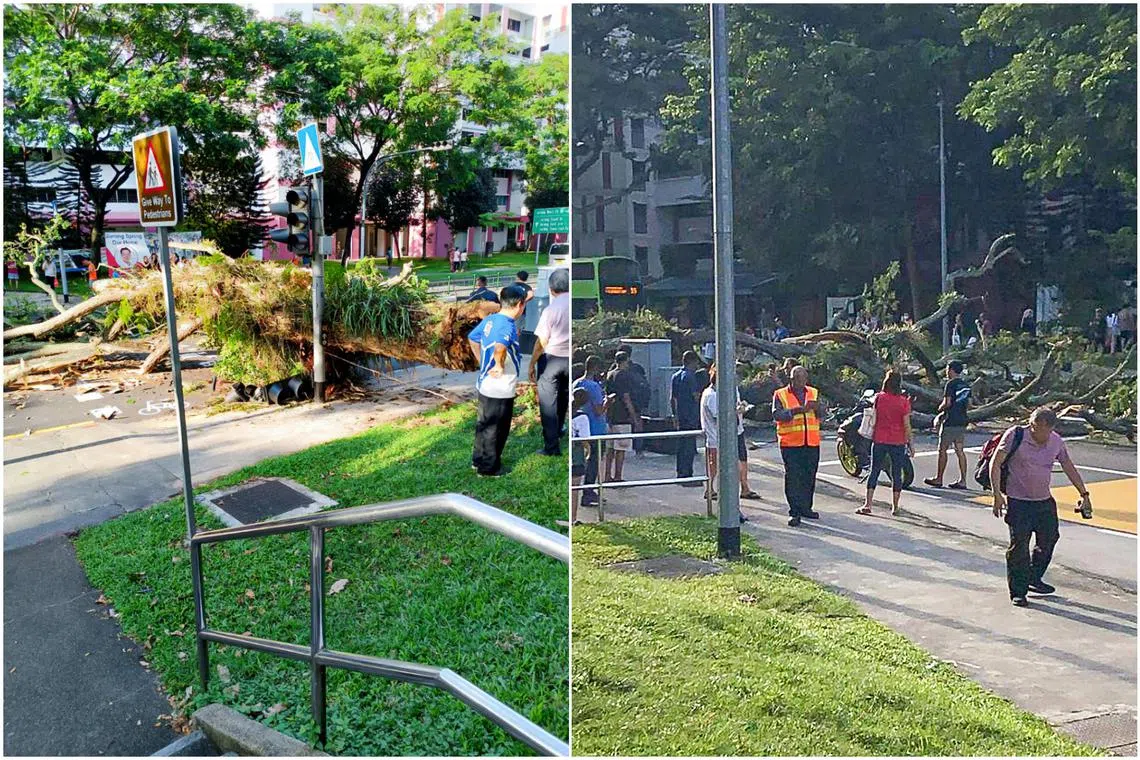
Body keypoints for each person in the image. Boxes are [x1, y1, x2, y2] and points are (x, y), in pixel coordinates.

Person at [990, 407, 1092, 607]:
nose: (1040, 434)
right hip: (1018, 501)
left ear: (1052, 428)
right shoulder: (1016, 435)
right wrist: (996, 495)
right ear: (1031, 424)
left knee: (1049, 538)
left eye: (1045, 430)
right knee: (1019, 546)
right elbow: (996, 462)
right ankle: (1018, 592)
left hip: (1043, 501)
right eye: (1036, 429)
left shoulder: (1055, 441)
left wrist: (1084, 494)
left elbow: (1068, 466)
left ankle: (1033, 578)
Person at [467, 284, 527, 477]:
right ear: (519, 305)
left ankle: (478, 460)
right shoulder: (506, 326)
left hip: (486, 384)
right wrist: (498, 365)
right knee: (496, 428)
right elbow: (500, 346)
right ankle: (489, 469)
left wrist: (481, 361)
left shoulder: (491, 320)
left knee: (483, 424)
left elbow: (472, 338)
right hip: (500, 387)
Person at [699, 364, 758, 515]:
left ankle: (745, 487)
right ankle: (709, 488)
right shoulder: (711, 395)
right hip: (716, 436)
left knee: (742, 459)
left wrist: (741, 407)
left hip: (736, 431)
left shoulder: (732, 389)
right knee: (715, 464)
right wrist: (736, 411)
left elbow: (735, 405)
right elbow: (720, 417)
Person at [772, 365, 825, 526]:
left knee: (809, 476)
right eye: (798, 379)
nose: (802, 382)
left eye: (804, 379)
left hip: (811, 441)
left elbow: (822, 413)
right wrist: (795, 411)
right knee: (794, 477)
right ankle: (794, 511)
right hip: (791, 443)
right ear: (792, 379)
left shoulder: (813, 392)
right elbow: (776, 414)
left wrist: (818, 408)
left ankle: (806, 508)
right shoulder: (780, 394)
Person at [856, 370, 913, 516]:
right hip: (898, 440)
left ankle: (868, 504)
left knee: (874, 471)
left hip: (880, 438)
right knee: (896, 473)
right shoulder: (904, 401)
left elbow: (873, 418)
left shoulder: (879, 398)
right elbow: (907, 425)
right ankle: (895, 507)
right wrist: (910, 443)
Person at [529, 268, 569, 456]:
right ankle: (560, 428)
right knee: (563, 397)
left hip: (553, 359)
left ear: (552, 288)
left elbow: (542, 342)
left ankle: (551, 447)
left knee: (548, 403)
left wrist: (532, 363)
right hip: (570, 360)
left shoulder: (551, 309)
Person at [924, 360, 971, 489]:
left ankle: (939, 478)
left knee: (942, 449)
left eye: (947, 368)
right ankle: (963, 480)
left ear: (951, 370)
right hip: (962, 420)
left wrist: (938, 409)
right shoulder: (966, 385)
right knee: (959, 450)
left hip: (950, 421)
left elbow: (947, 403)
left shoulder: (950, 384)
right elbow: (969, 403)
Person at [573, 356, 609, 506]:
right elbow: (599, 410)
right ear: (596, 368)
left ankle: (583, 491)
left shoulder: (576, 383)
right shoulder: (594, 387)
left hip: (581, 430)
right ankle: (588, 493)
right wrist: (608, 401)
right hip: (596, 429)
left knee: (582, 462)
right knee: (593, 463)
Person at [604, 351, 641, 482]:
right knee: (621, 448)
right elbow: (626, 398)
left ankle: (607, 475)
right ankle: (618, 475)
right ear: (625, 361)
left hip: (611, 416)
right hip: (622, 417)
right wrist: (634, 417)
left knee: (610, 448)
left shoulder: (610, 374)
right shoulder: (623, 375)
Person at [670, 351, 703, 484]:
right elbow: (695, 396)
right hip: (691, 415)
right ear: (692, 361)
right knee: (689, 446)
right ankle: (687, 475)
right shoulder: (690, 377)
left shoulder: (675, 376)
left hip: (681, 415)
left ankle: (680, 473)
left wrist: (674, 415)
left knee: (681, 445)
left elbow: (672, 398)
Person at [570, 387, 592, 526]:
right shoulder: (582, 417)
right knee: (575, 488)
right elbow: (584, 439)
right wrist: (588, 451)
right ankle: (573, 519)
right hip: (576, 456)